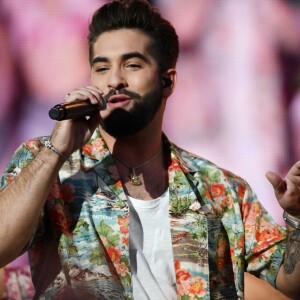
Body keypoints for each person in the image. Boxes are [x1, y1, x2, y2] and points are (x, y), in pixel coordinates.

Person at [0, 0, 300, 299]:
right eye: (102, 68)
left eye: (132, 65)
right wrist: (57, 151)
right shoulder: (46, 161)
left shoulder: (221, 189)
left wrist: (297, 218)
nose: (115, 80)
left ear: (167, 81)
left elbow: (286, 285)